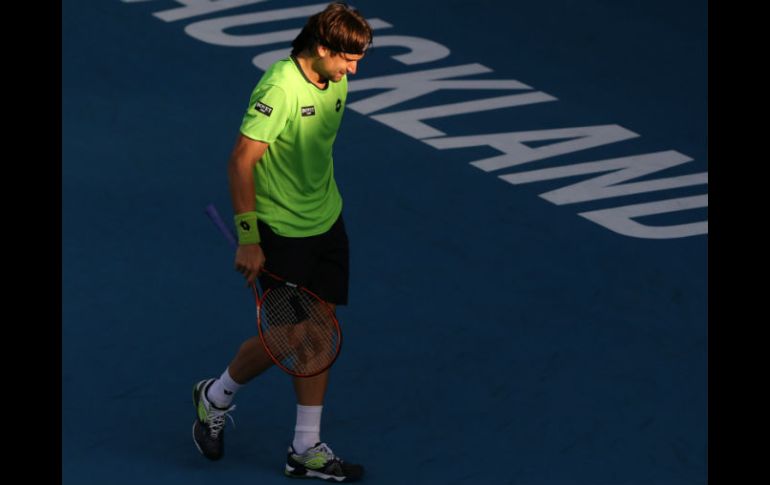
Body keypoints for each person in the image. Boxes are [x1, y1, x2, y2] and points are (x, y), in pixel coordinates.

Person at [191, 2, 372, 482]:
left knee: (320, 332)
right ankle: (216, 396)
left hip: (326, 222)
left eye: (357, 60)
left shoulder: (335, 79)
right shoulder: (279, 89)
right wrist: (249, 238)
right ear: (319, 48)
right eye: (346, 59)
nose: (353, 70)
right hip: (280, 231)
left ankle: (304, 448)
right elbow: (239, 161)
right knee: (288, 337)